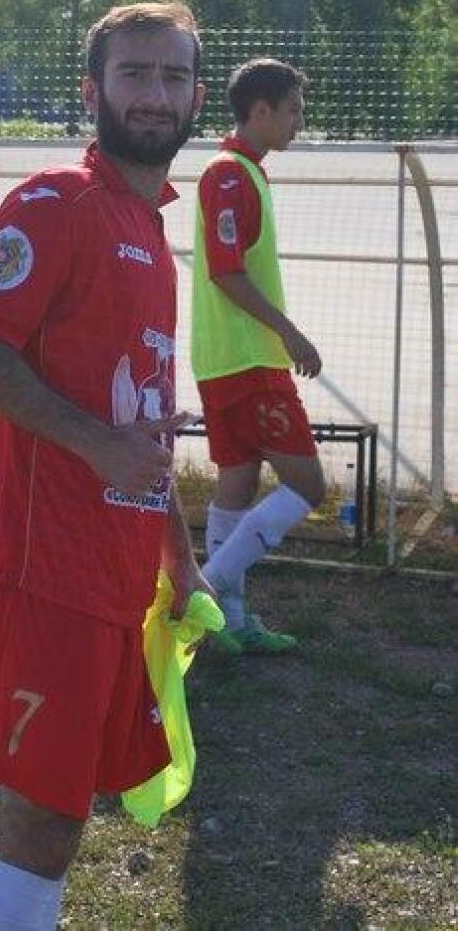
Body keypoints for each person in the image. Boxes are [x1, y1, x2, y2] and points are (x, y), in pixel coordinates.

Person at [0, 1, 214, 931]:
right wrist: (96, 445)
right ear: (92, 91)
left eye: (173, 76)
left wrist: (177, 554)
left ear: (196, 98)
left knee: (64, 820)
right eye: (134, 74)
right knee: (40, 822)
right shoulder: (56, 202)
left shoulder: (149, 230)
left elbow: (139, 420)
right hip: (43, 570)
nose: (154, 94)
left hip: (114, 572)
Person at [192, 58, 326, 655]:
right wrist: (290, 333)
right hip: (247, 361)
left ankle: (231, 622)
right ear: (261, 110)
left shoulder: (244, 171)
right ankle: (201, 595)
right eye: (293, 109)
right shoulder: (229, 174)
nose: (300, 121)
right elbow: (227, 272)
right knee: (308, 485)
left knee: (236, 489)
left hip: (225, 360)